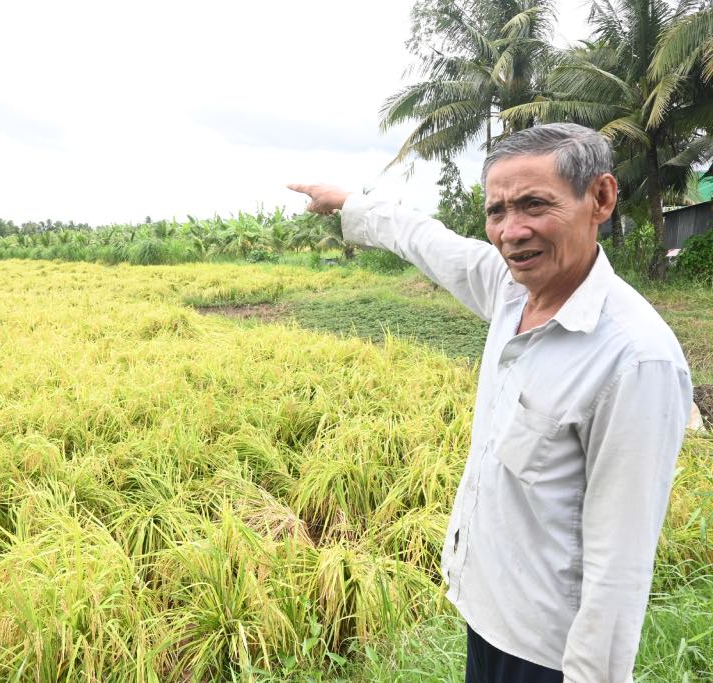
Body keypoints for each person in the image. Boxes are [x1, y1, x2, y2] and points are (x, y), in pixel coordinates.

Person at [289, 123, 692, 683]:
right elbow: (429, 242)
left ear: (599, 198)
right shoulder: (512, 291)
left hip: (548, 652)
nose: (511, 231)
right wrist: (350, 204)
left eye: (533, 204)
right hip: (486, 613)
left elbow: (619, 566)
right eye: (497, 210)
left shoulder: (634, 360)